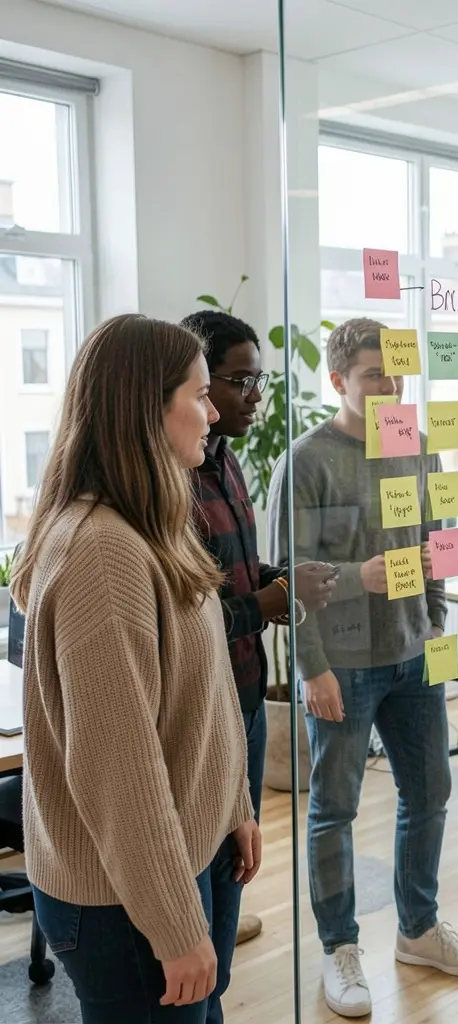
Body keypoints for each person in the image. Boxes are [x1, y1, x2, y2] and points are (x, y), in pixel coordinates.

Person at [11, 314, 261, 1023]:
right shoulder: (103, 552)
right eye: (200, 394)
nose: (214, 412)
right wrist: (176, 926)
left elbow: (204, 692)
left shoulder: (152, 521)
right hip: (128, 899)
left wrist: (233, 806)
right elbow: (120, 768)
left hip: (183, 859)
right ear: (144, 409)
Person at [267, 318, 458, 1019]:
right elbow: (287, 577)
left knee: (430, 793)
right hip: (343, 666)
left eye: (396, 375)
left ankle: (418, 930)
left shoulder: (415, 447)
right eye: (374, 376)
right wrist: (313, 670)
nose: (390, 387)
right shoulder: (306, 459)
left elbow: (436, 541)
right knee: (333, 809)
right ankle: (339, 948)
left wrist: (433, 616)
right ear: (338, 380)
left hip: (413, 657)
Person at [182, 310, 336, 1024]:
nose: (253, 398)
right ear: (198, 382)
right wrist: (270, 597)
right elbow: (190, 622)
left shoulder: (227, 461)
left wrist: (282, 579)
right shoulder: (174, 483)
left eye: (258, 381)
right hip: (203, 710)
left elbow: (232, 578)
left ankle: (213, 995)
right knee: (202, 878)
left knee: (231, 870)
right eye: (239, 381)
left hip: (244, 698)